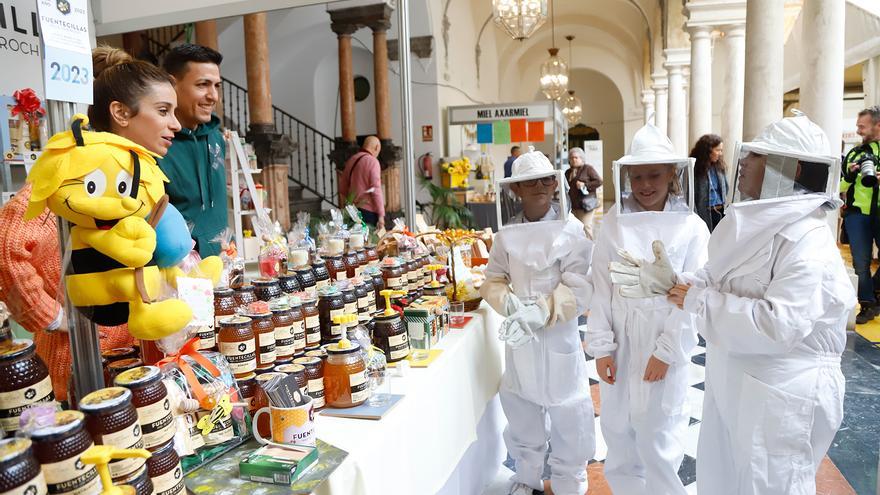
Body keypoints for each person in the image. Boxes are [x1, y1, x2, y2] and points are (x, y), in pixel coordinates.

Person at [614, 115, 855, 494]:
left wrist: (695, 300)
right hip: (738, 379)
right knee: (723, 478)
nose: (743, 164)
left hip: (783, 393)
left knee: (771, 485)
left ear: (783, 167)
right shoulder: (756, 225)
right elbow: (716, 275)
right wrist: (676, 284)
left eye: (756, 156)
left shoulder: (808, 242)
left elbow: (776, 325)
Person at [0, 46, 182, 401]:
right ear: (120, 113)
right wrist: (51, 316)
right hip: (81, 367)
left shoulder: (141, 173)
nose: (175, 123)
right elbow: (6, 243)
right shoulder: (78, 171)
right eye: (163, 111)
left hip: (138, 358)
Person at [586, 125, 709, 495]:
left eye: (654, 174)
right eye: (637, 176)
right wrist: (602, 347)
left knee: (660, 433)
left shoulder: (691, 227)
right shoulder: (614, 222)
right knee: (618, 430)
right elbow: (602, 287)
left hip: (663, 340)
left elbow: (693, 295)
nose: (644, 185)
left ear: (672, 173)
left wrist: (667, 351)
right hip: (622, 342)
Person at [480, 148, 594, 495]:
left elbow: (582, 286)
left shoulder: (573, 231)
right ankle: (526, 479)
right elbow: (492, 280)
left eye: (547, 179)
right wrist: (510, 304)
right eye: (531, 182)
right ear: (516, 189)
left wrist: (544, 310)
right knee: (522, 409)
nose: (541, 186)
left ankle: (569, 484)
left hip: (559, 339)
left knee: (569, 414)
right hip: (521, 343)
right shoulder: (507, 235)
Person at [159, 43, 227, 257]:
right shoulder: (157, 144)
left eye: (216, 85)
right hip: (179, 268)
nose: (213, 95)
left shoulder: (216, 137)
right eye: (202, 85)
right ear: (172, 85)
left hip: (223, 261)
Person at [840, 105, 880, 323]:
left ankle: (874, 291)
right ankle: (867, 303)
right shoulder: (855, 153)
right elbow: (840, 186)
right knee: (860, 263)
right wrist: (850, 174)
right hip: (857, 215)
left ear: (878, 126)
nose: (858, 131)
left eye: (862, 127)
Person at [339, 136, 385, 230]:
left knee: (355, 242)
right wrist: (381, 215)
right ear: (376, 147)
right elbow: (376, 189)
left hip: (352, 211)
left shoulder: (351, 160)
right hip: (368, 213)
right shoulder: (373, 162)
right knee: (369, 242)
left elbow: (342, 188)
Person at [690, 134, 728, 232]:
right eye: (718, 150)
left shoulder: (720, 168)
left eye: (721, 150)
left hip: (722, 213)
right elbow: (691, 195)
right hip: (704, 214)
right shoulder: (695, 169)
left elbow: (727, 191)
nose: (720, 154)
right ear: (708, 150)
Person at [565, 147, 602, 239]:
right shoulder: (568, 172)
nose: (574, 160)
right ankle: (579, 248)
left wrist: (585, 184)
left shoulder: (588, 168)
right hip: (573, 206)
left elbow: (599, 181)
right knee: (575, 228)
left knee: (585, 226)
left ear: (582, 158)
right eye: (572, 158)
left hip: (586, 205)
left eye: (576, 157)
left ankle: (590, 247)